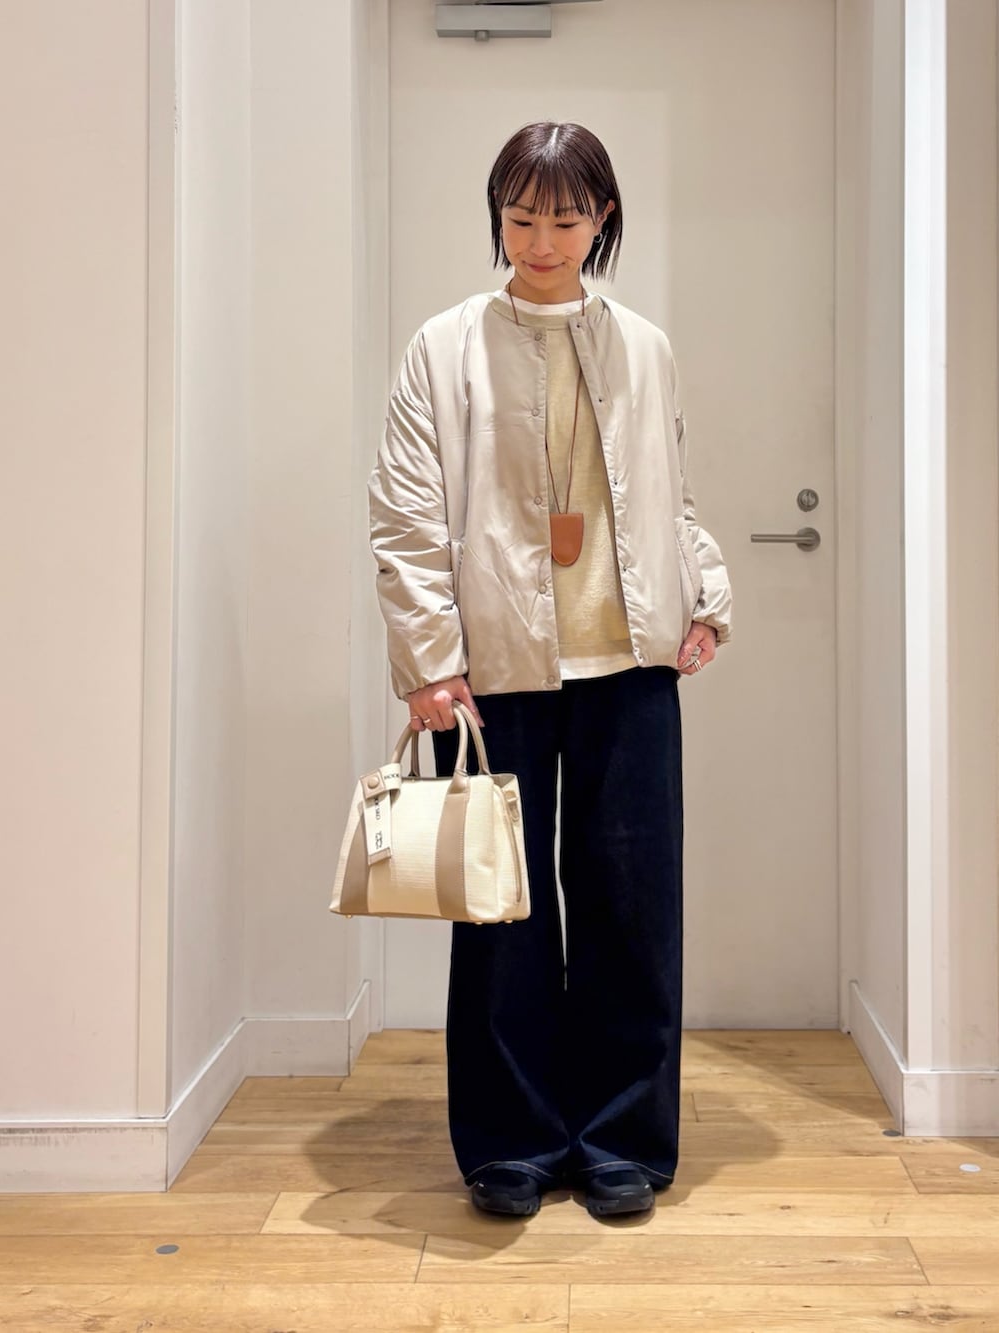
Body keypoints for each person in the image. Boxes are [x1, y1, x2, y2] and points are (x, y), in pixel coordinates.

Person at [369, 122, 732, 1220]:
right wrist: (429, 661)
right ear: (498, 216)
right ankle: (512, 1142)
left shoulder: (645, 347)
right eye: (521, 217)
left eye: (565, 220)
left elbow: (672, 493)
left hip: (629, 661)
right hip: (494, 668)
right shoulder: (443, 347)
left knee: (633, 907)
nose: (540, 240)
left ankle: (621, 1138)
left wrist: (706, 597)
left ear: (602, 219)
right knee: (501, 915)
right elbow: (405, 513)